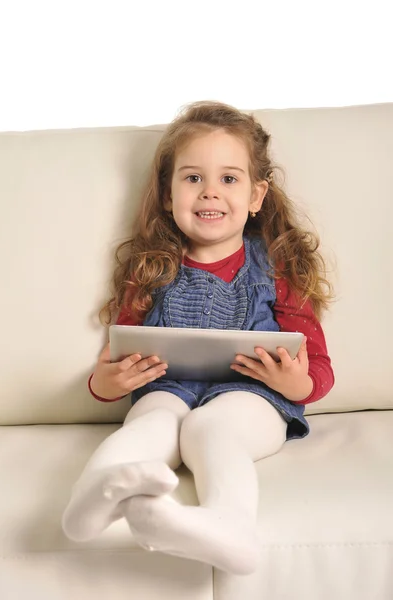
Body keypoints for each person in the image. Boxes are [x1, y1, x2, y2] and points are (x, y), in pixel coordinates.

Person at [62, 101, 334, 576]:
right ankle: (93, 496)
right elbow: (115, 359)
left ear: (257, 195)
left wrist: (295, 383)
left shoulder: (276, 268)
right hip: (169, 388)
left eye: (229, 179)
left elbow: (319, 370)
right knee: (151, 422)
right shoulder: (150, 267)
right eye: (192, 178)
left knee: (209, 429)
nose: (210, 192)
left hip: (255, 398)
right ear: (168, 194)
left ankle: (231, 527)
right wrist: (107, 383)